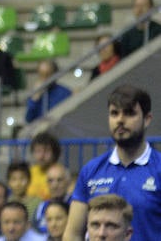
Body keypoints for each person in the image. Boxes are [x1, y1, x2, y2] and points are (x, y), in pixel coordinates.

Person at [64, 85, 160, 241]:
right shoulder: (91, 170)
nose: (120, 120)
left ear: (147, 119)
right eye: (114, 113)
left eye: (129, 113)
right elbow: (73, 234)